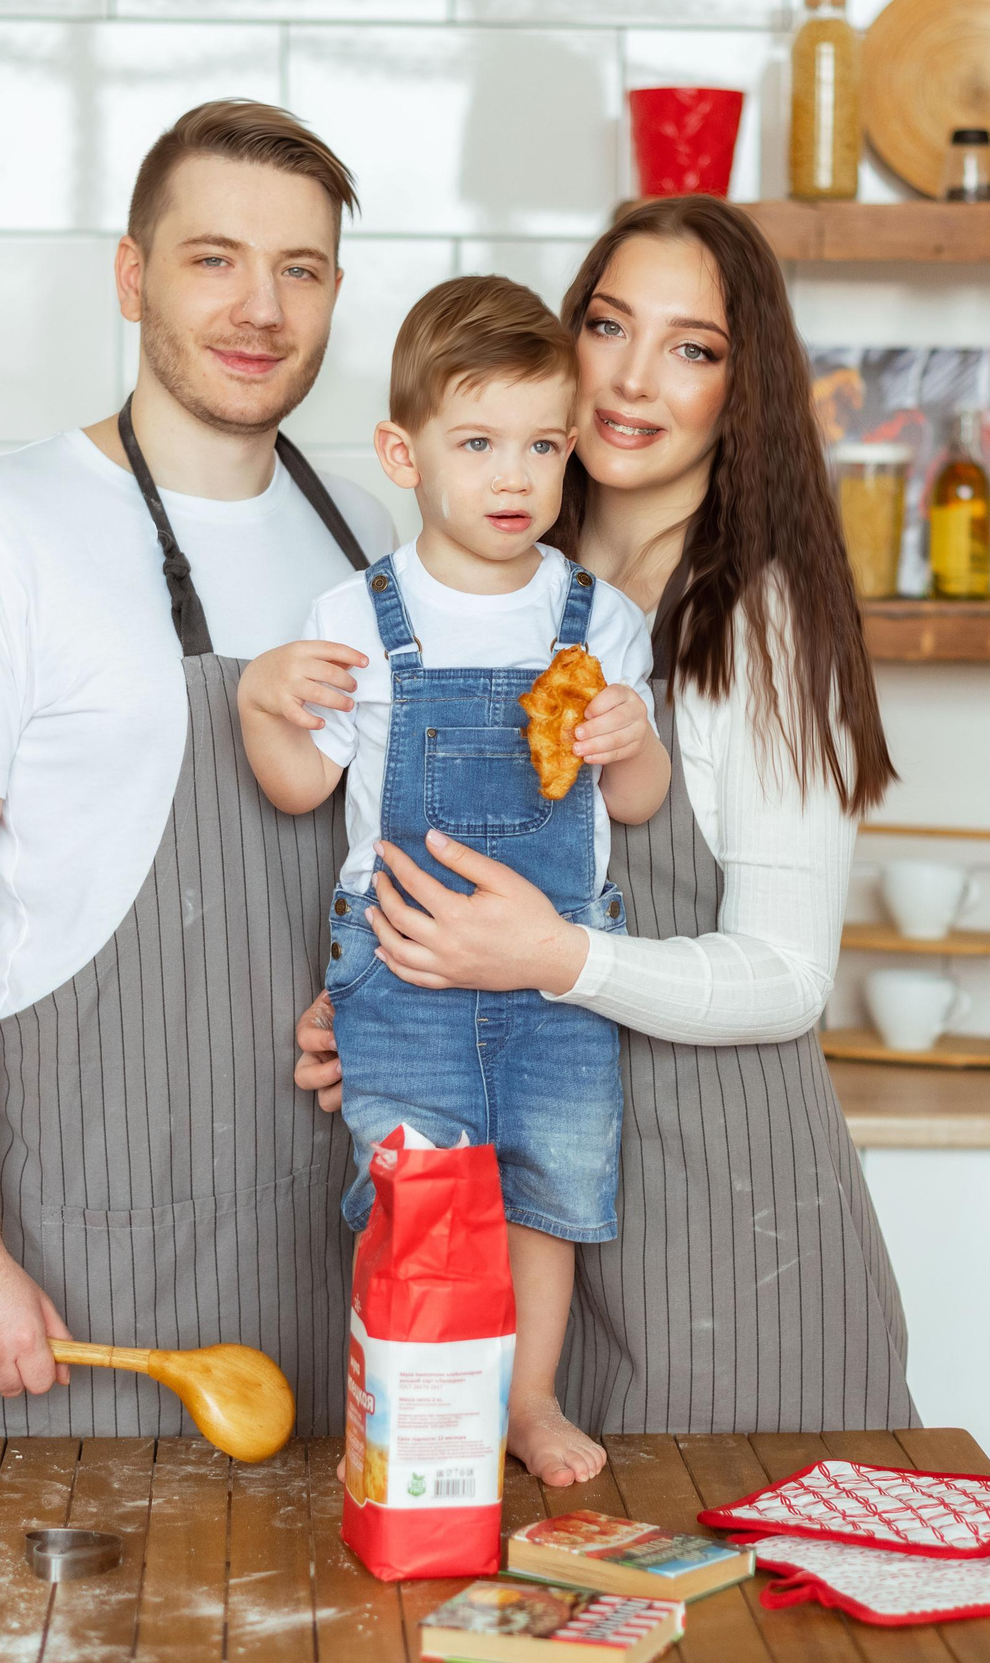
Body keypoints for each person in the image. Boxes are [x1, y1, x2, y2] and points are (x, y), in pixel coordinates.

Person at [297, 195, 918, 1433]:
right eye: (608, 325)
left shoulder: (760, 620)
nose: (634, 380)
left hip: (730, 1234)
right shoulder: (517, 595)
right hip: (547, 1231)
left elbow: (789, 977)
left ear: (741, 392)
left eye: (693, 348)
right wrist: (388, 993)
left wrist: (548, 957)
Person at [0, 100, 396, 1435]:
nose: (259, 306)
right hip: (69, 1272)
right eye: (214, 256)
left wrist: (386, 1007)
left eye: (302, 268)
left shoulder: (371, 541)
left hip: (323, 1246)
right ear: (131, 274)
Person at [237, 275, 669, 1485]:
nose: (513, 477)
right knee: (419, 1196)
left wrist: (633, 743)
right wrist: (261, 703)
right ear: (404, 452)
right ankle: (414, 1402)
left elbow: (634, 803)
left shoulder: (599, 622)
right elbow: (297, 789)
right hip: (405, 972)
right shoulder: (357, 616)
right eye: (476, 444)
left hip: (557, 983)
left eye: (541, 445)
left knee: (547, 1194)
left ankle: (527, 1403)